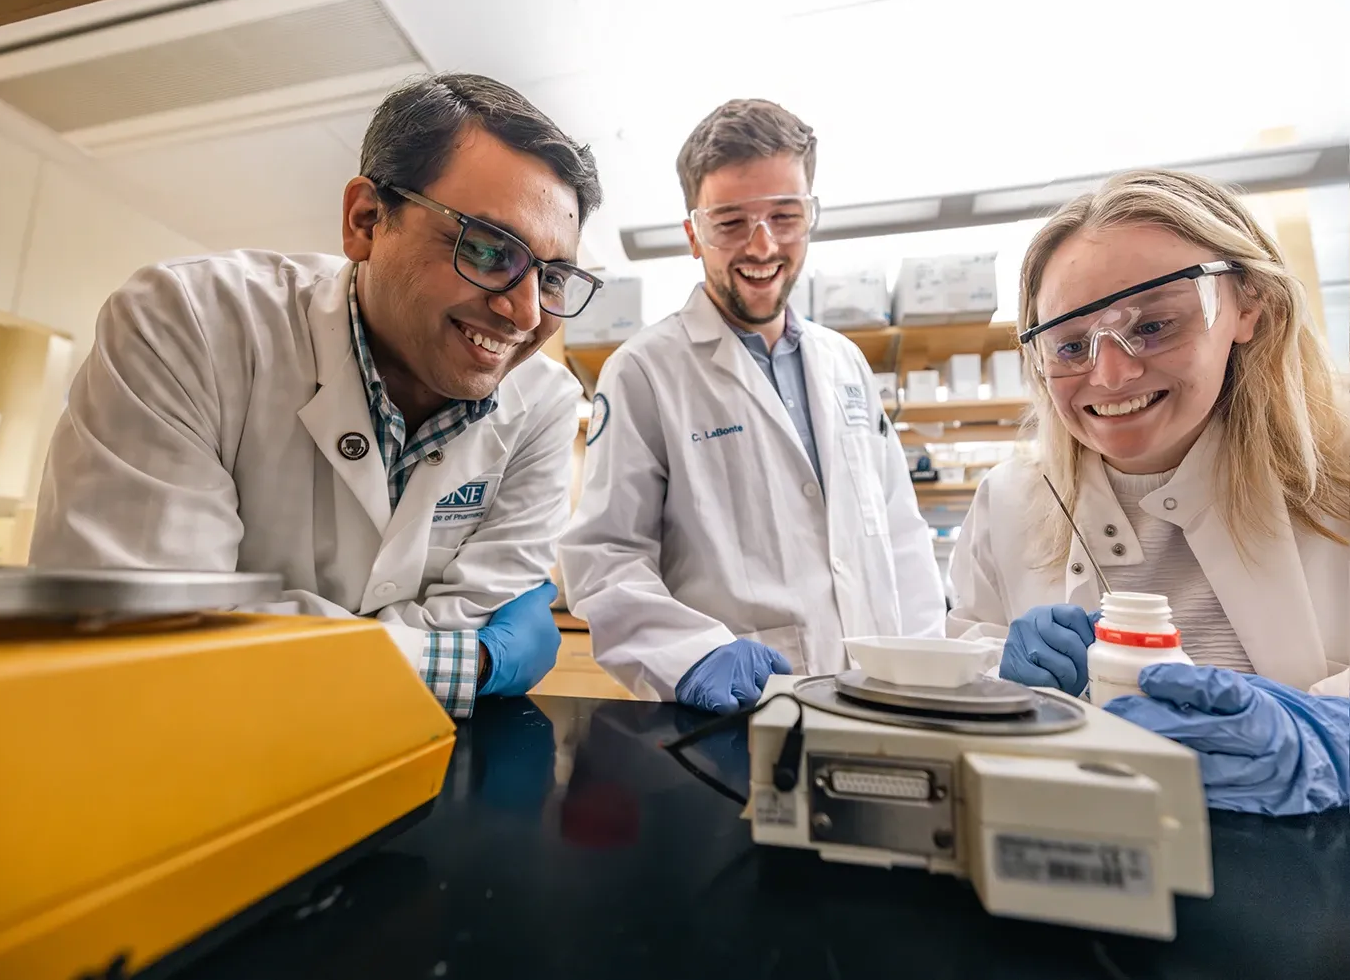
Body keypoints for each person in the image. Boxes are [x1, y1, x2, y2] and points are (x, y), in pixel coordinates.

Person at [31, 74, 606, 718]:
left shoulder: (547, 402)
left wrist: (272, 637)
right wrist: (465, 663)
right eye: (488, 249)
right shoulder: (188, 321)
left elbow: (476, 607)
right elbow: (151, 638)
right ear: (365, 221)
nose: (525, 312)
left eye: (553, 277)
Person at [948, 169, 1349, 816]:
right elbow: (962, 665)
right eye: (1071, 344)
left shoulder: (1339, 469)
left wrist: (1328, 742)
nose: (1109, 375)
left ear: (1247, 306)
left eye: (1154, 325)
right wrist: (998, 678)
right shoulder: (1012, 498)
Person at [559, 99, 945, 713]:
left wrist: (929, 671)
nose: (762, 245)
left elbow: (900, 533)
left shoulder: (845, 363)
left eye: (784, 216)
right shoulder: (644, 370)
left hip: (885, 697)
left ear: (809, 218)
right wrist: (687, 654)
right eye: (730, 221)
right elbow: (606, 555)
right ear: (693, 235)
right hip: (738, 707)